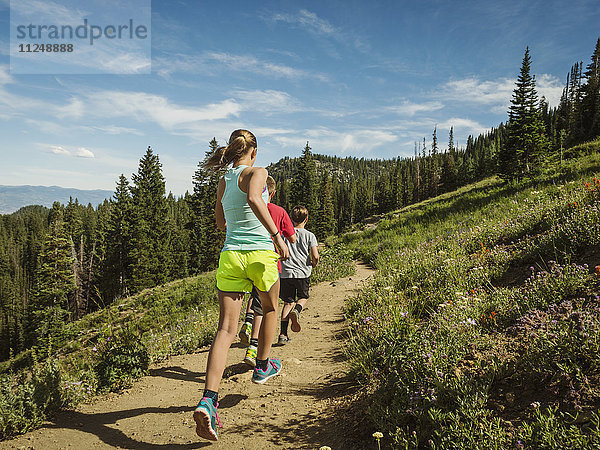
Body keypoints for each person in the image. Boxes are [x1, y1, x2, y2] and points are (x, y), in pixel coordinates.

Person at [193, 130, 289, 442]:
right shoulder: (258, 172)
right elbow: (253, 197)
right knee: (271, 308)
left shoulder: (223, 180)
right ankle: (262, 365)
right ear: (254, 151)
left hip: (231, 255)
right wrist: (276, 235)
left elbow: (220, 223)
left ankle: (209, 399)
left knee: (226, 330)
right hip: (260, 254)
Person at [239, 176, 297, 367]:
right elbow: (293, 237)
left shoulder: (250, 209)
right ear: (272, 193)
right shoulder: (279, 211)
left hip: (246, 260)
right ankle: (255, 351)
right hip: (270, 264)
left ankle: (247, 326)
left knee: (254, 300)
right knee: (265, 308)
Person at [278, 205, 319, 344]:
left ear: (291, 219)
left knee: (287, 302)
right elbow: (315, 255)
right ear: (306, 219)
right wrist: (314, 263)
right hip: (302, 272)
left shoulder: (284, 235)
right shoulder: (310, 235)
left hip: (285, 272)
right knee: (303, 297)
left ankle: (283, 334)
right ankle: (297, 310)